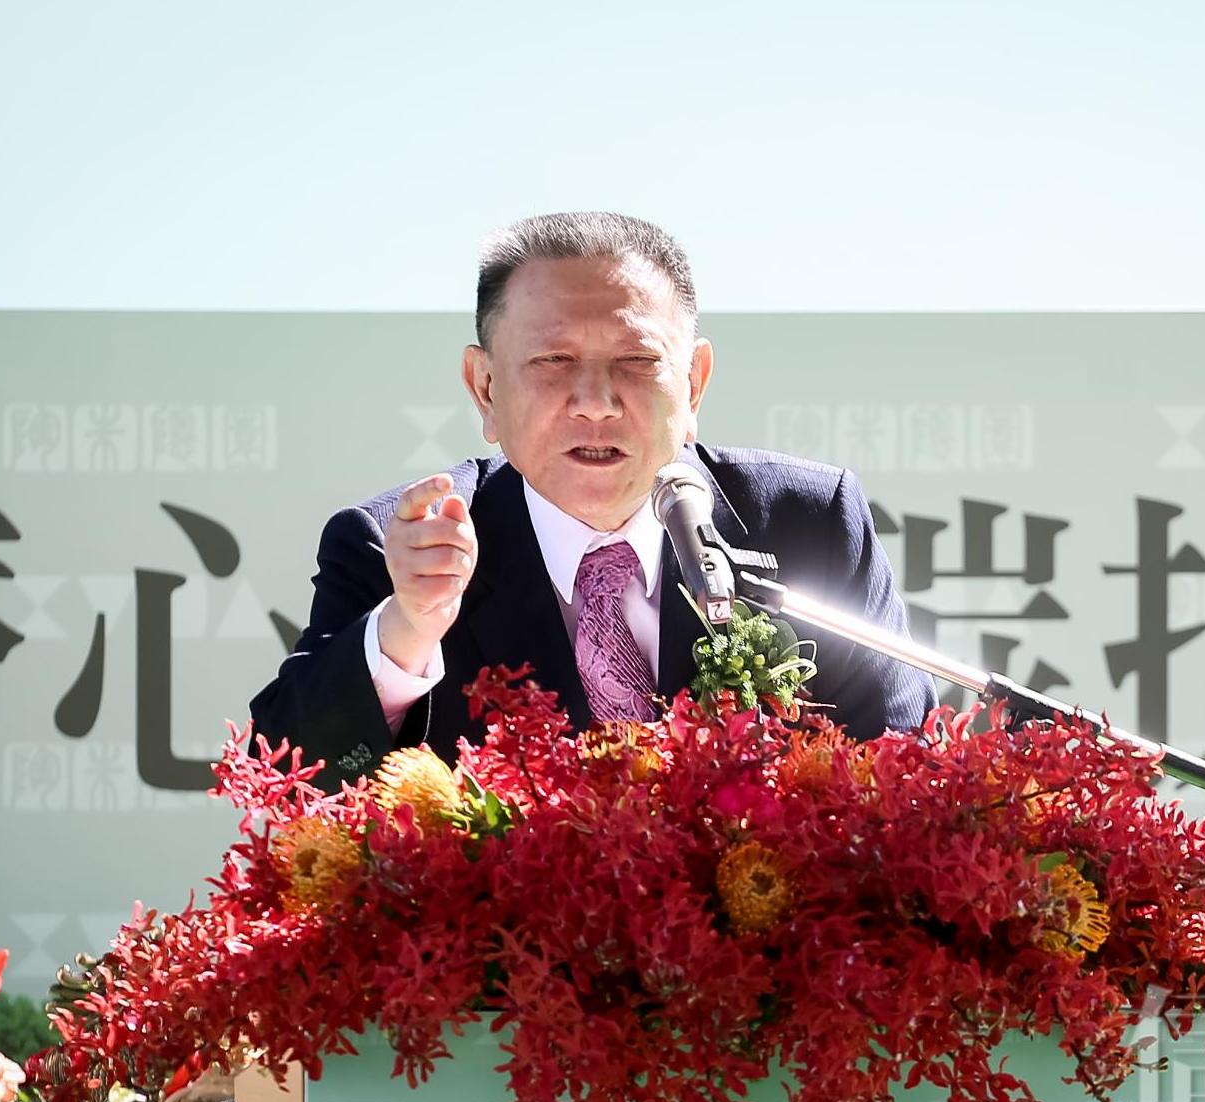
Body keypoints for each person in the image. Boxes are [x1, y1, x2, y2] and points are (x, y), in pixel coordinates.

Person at [250, 212, 935, 791]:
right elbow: (291, 781)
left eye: (637, 362)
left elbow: (907, 770)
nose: (597, 404)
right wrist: (407, 629)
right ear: (485, 388)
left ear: (693, 384)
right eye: (554, 362)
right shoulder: (399, 546)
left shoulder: (807, 522)